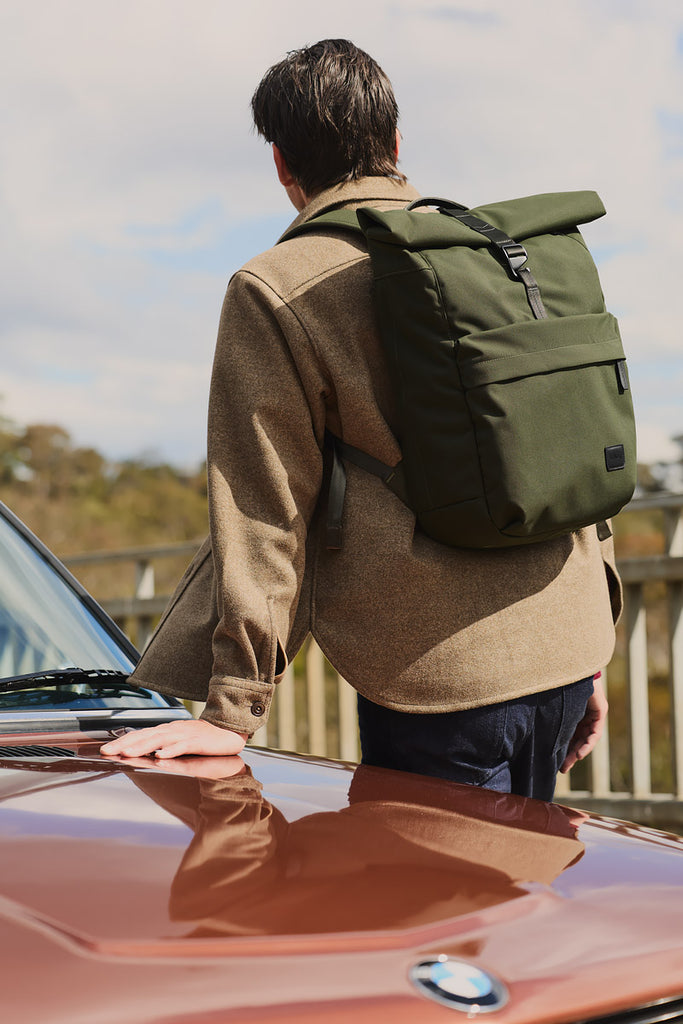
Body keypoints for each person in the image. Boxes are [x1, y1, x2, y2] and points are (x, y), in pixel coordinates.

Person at [101, 38, 620, 800]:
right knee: (520, 911)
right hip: (568, 650)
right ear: (396, 143)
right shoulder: (493, 257)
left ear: (281, 163)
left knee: (433, 917)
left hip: (439, 681)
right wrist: (588, 646)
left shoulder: (275, 286)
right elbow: (557, 450)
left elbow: (262, 507)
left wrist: (230, 712)